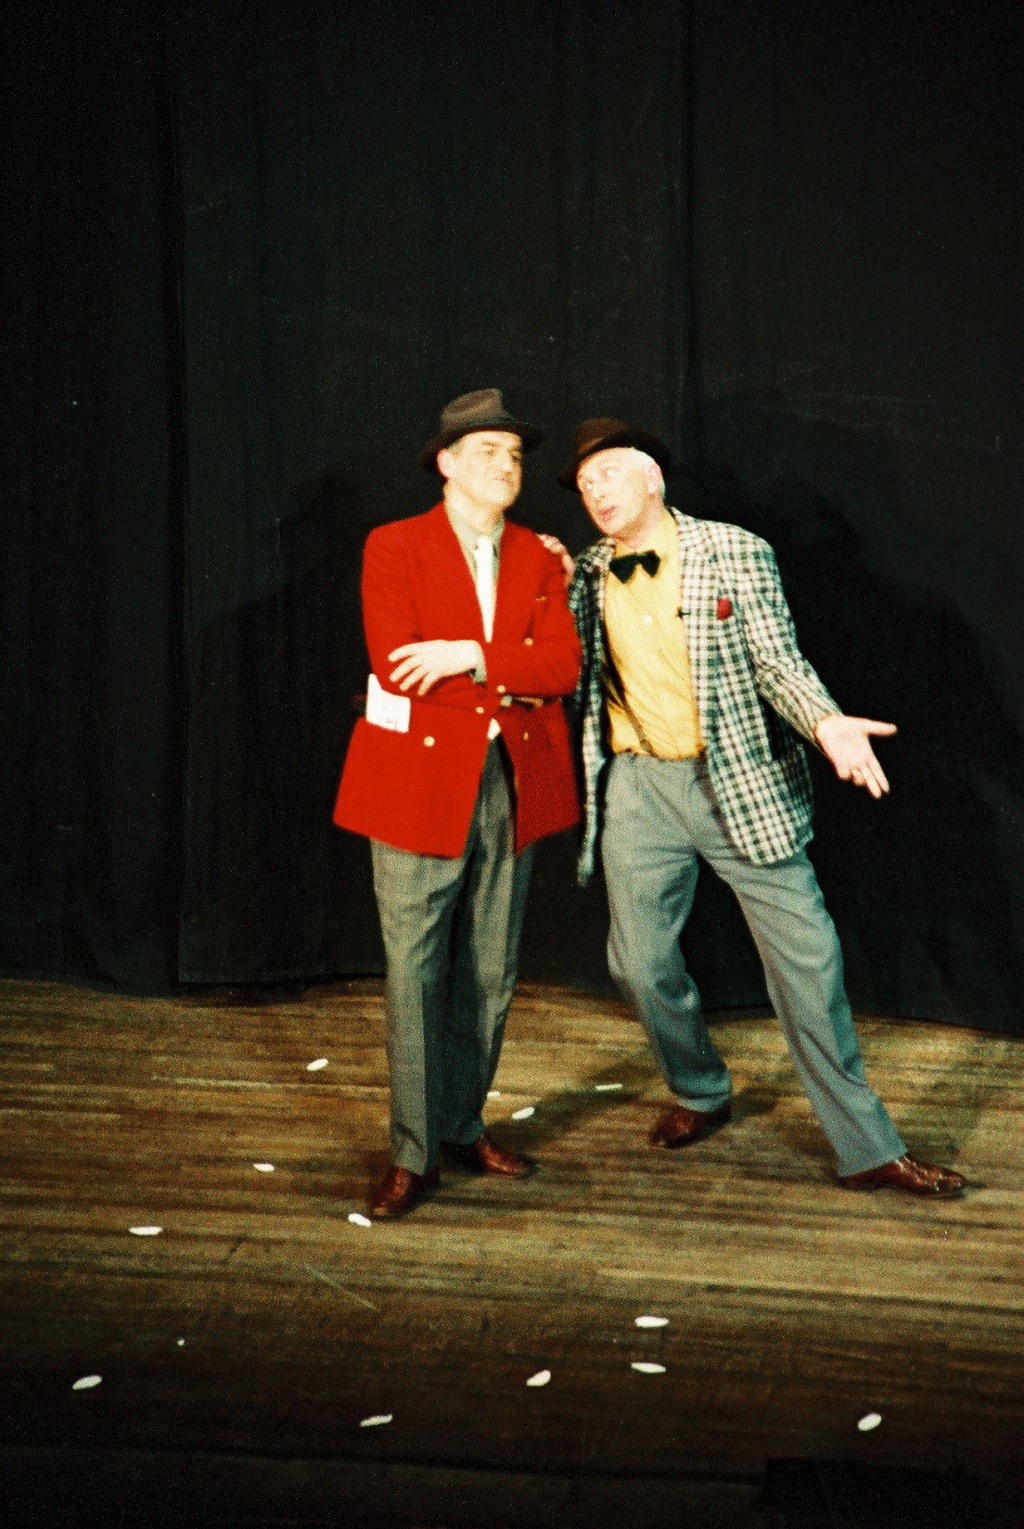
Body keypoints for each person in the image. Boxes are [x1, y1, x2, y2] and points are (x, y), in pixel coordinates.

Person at [551, 416, 964, 1197]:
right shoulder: (585, 572)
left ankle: (868, 1147)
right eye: (583, 483)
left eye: (608, 472)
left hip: (736, 779)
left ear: (652, 477)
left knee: (808, 964)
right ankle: (700, 1088)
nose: (594, 490)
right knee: (637, 963)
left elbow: (778, 661)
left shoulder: (733, 550)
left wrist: (824, 721)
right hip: (639, 786)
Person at [334, 389, 581, 1219]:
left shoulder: (540, 555)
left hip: (513, 777)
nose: (507, 466)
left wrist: (468, 654)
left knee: (490, 967)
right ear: (445, 463)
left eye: (514, 455)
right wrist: (503, 666)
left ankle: (462, 1125)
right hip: (418, 782)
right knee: (414, 970)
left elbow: (563, 666)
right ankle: (413, 1153)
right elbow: (398, 663)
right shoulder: (394, 545)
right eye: (487, 452)